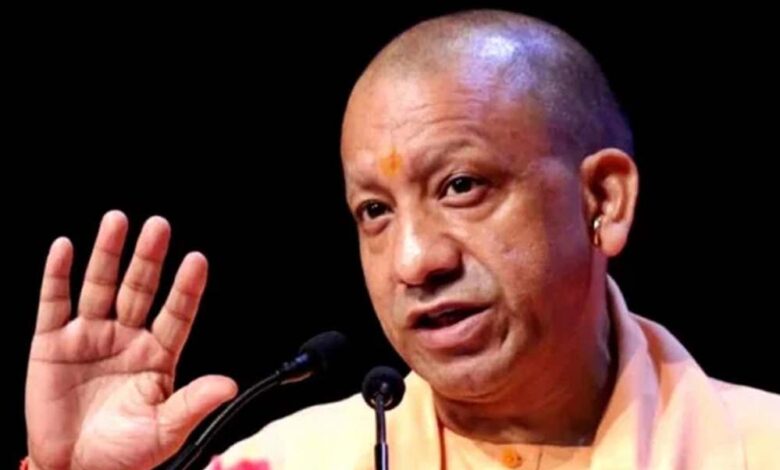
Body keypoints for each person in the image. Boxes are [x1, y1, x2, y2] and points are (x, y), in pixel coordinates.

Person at [23, 9, 779, 470]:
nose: (416, 261)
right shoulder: (282, 463)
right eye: (375, 212)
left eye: (462, 186)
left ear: (602, 201)